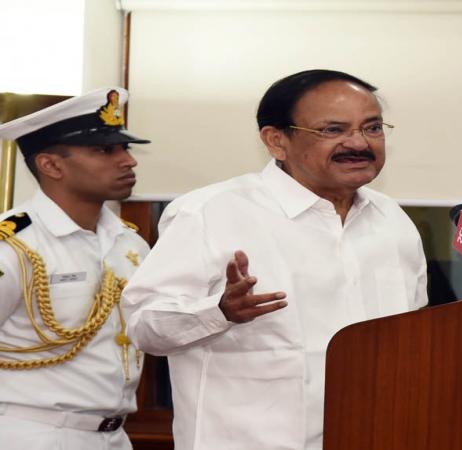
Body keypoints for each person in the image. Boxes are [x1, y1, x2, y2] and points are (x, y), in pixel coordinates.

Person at [121, 70, 428, 450]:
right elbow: (143, 326)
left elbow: (413, 339)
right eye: (333, 130)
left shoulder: (392, 220)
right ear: (276, 140)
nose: (359, 143)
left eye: (373, 127)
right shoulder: (209, 213)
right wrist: (219, 311)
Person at [0, 88, 151, 450]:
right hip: (32, 433)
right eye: (105, 150)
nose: (128, 161)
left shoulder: (129, 244)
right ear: (51, 165)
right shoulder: (14, 246)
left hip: (114, 435)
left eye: (125, 148)